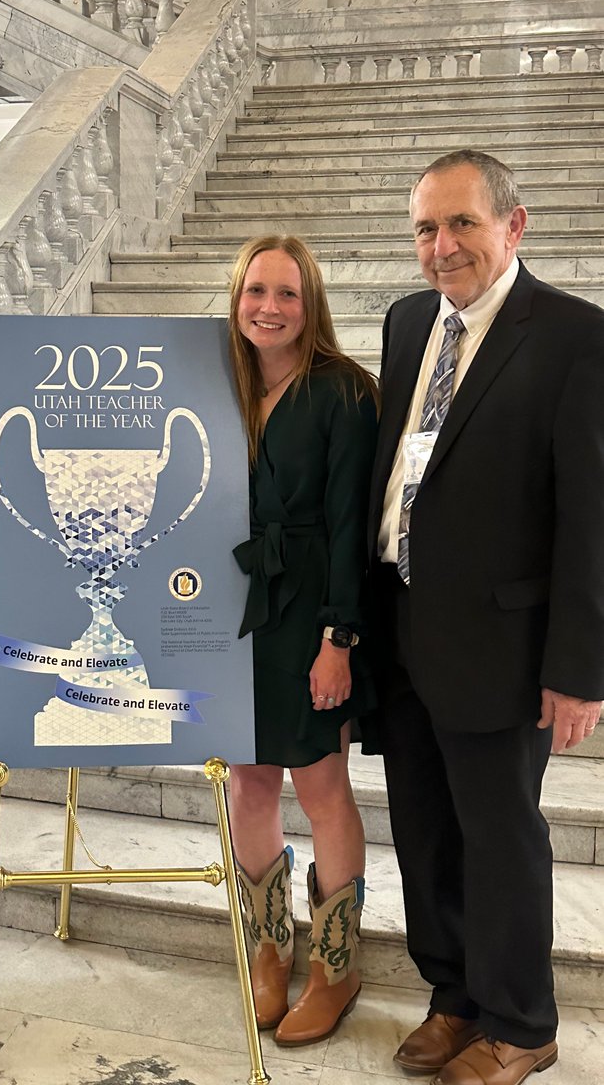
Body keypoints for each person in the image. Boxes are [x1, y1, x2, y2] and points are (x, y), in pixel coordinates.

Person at [368, 149, 604, 1085]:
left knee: (500, 835)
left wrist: (582, 667)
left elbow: (592, 515)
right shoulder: (404, 323)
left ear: (515, 225)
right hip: (405, 627)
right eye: (427, 228)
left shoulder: (575, 338)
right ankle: (454, 996)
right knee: (424, 827)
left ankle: (521, 1021)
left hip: (505, 643)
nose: (443, 245)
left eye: (462, 222)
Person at [227, 234, 378, 1045]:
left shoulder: (346, 393)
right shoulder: (220, 383)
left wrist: (339, 639)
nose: (270, 308)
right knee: (249, 783)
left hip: (312, 612)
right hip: (231, 610)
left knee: (321, 791)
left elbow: (354, 526)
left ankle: (336, 964)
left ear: (310, 301)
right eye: (257, 291)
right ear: (237, 297)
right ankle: (268, 950)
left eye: (286, 293)